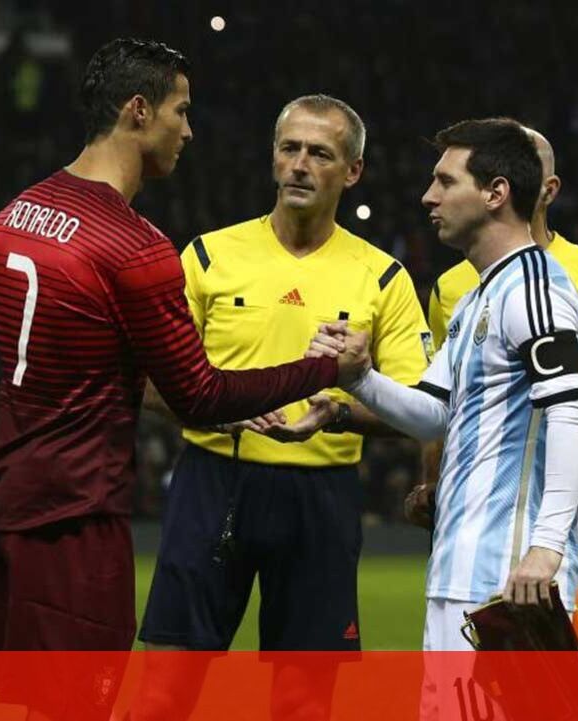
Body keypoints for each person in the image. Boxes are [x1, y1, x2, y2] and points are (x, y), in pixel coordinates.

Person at [0, 39, 364, 682]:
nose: (188, 131)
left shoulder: (11, 217)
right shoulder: (134, 248)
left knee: (10, 700)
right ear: (139, 111)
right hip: (77, 520)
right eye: (181, 111)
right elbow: (200, 396)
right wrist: (326, 369)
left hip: (2, 517)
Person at [133, 95, 431, 721]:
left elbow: (418, 408)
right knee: (164, 690)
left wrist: (341, 413)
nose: (299, 164)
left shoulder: (382, 278)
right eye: (289, 148)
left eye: (319, 153)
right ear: (273, 157)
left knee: (303, 703)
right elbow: (144, 378)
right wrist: (213, 409)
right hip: (213, 482)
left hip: (320, 496)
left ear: (352, 171)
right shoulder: (208, 257)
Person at [311, 118, 578, 719]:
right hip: (461, 571)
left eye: (445, 181)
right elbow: (436, 415)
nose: (428, 197)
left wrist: (545, 549)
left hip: (510, 576)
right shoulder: (476, 298)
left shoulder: (535, 291)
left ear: (495, 193)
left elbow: (571, 414)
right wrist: (360, 377)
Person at [417, 128, 578, 569]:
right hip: (474, 487)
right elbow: (444, 397)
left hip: (569, 489)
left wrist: (576, 446)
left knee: (564, 611)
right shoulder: (453, 287)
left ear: (547, 189)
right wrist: (431, 479)